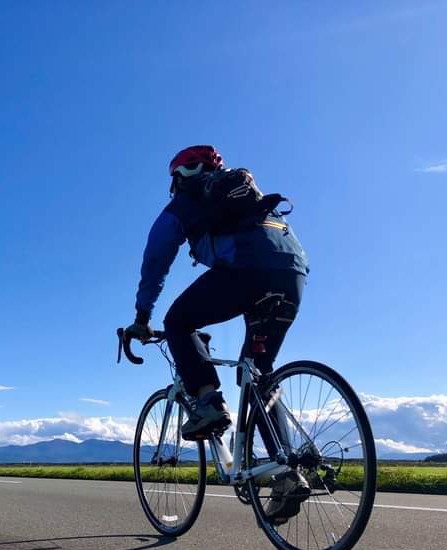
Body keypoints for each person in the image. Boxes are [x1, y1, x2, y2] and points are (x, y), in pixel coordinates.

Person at [125, 144, 310, 521]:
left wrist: (142, 316)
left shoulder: (185, 202)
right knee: (259, 373)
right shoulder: (248, 198)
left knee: (179, 322)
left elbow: (156, 258)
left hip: (245, 271)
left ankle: (208, 401)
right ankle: (286, 471)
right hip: (293, 273)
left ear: (178, 178)